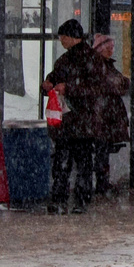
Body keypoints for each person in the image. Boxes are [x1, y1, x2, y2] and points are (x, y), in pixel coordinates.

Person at [42, 19, 100, 214]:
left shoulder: (90, 60)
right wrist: (48, 83)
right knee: (68, 161)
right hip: (70, 122)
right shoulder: (67, 60)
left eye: (63, 37)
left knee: (74, 161)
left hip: (82, 122)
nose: (61, 41)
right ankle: (68, 200)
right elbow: (54, 76)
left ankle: (72, 200)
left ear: (71, 37)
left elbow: (95, 89)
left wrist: (69, 89)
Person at [88, 33, 130, 197]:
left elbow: (118, 83)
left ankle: (102, 182)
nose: (112, 51)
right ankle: (102, 183)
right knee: (102, 150)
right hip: (102, 117)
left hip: (103, 116)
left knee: (102, 150)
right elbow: (117, 84)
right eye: (109, 48)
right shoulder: (101, 66)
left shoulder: (101, 65)